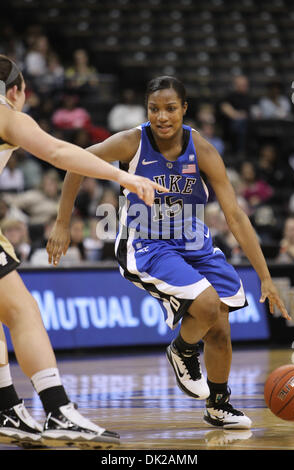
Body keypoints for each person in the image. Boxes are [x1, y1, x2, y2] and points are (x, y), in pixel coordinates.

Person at [47, 76, 290, 433]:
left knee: (220, 323)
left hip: (194, 244)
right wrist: (62, 223)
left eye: (170, 108)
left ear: (184, 110)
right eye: (154, 109)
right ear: (147, 111)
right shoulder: (132, 141)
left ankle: (218, 405)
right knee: (206, 305)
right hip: (146, 244)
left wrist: (266, 277)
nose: (162, 116)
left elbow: (235, 216)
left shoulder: (203, 149)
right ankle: (181, 350)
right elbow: (75, 164)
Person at [0, 54, 166, 447]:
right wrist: (123, 174)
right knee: (22, 312)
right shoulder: (7, 113)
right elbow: (59, 153)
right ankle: (58, 411)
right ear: (15, 91)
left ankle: (6, 408)